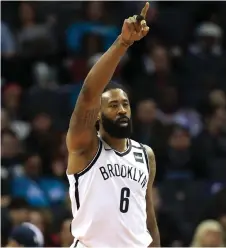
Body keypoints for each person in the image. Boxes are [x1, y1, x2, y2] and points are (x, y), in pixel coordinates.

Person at [66, 2, 160, 247]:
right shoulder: (85, 147)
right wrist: (123, 43)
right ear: (97, 114)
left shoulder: (145, 154)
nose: (121, 110)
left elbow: (147, 219)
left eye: (125, 104)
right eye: (113, 105)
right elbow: (88, 94)